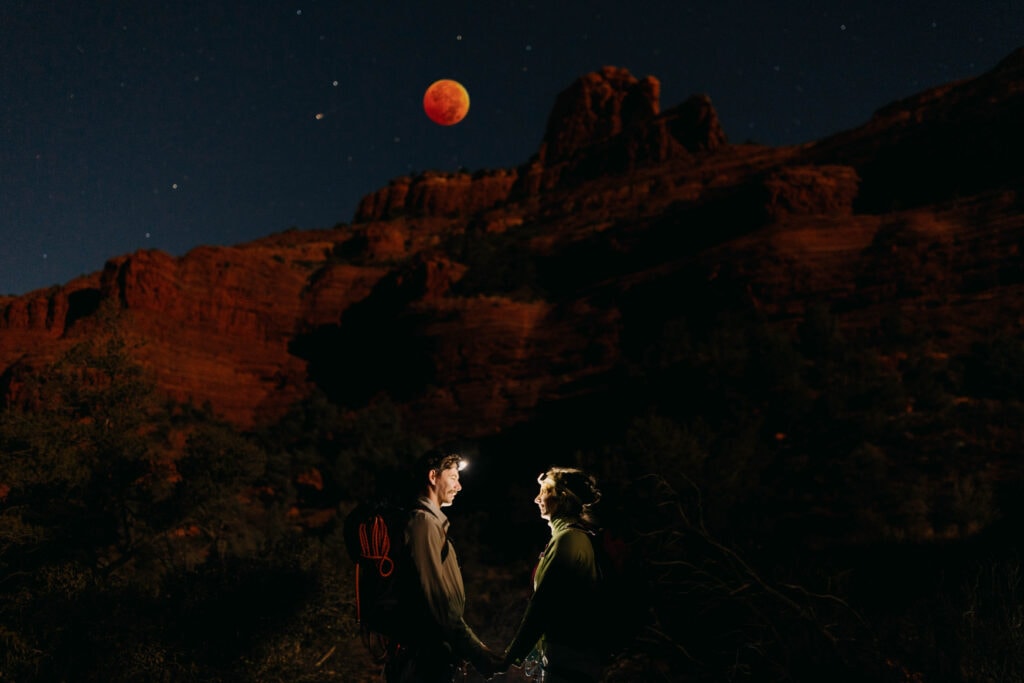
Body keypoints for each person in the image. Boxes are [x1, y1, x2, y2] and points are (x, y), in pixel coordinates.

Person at [383, 449, 501, 683]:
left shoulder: (431, 524)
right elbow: (438, 602)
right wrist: (477, 652)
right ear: (433, 477)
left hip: (432, 655)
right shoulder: (423, 524)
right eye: (454, 477)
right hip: (424, 659)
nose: (459, 487)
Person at [501, 467, 604, 683]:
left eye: (544, 491)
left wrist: (511, 656)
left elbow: (543, 604)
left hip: (568, 661)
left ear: (562, 498)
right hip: (571, 660)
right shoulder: (572, 537)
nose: (536, 498)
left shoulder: (568, 540)